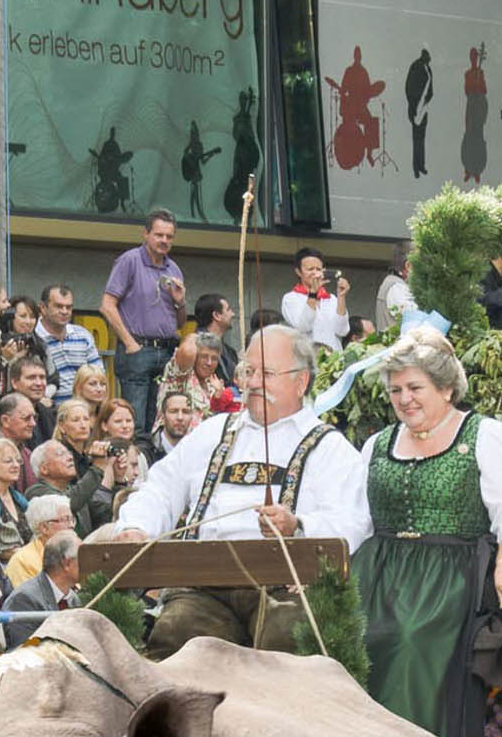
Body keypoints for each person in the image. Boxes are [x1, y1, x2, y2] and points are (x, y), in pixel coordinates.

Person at [112, 325, 369, 657]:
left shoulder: (330, 447)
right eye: (249, 371)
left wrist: (298, 527)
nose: (254, 382)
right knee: (176, 636)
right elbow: (161, 486)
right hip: (203, 585)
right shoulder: (214, 431)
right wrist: (135, 527)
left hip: (285, 590)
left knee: (286, 642)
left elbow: (353, 520)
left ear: (301, 381)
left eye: (267, 373)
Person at [353, 330, 502, 737]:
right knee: (341, 638)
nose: (404, 399)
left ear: (447, 388)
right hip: (377, 575)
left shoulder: (484, 436)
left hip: (448, 580)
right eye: (396, 389)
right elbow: (354, 522)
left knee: (409, 639)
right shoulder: (376, 445)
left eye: (415, 387)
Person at [101, 210, 188, 432]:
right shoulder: (129, 260)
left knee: (160, 424)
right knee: (134, 424)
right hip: (138, 351)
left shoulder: (174, 268)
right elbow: (107, 305)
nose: (164, 241)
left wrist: (180, 301)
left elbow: (180, 322)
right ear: (146, 234)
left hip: (167, 352)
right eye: (159, 235)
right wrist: (130, 343)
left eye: (169, 236)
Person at [1, 530, 78, 648]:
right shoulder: (23, 600)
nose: (90, 563)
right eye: (84, 557)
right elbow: (26, 651)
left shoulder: (74, 599)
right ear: (67, 563)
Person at [281, 249, 350, 352]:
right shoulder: (291, 298)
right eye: (310, 269)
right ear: (298, 272)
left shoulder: (332, 299)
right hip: (307, 361)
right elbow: (304, 327)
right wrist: (313, 293)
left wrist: (341, 297)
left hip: (335, 359)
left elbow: (343, 331)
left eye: (318, 269)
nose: (315, 273)